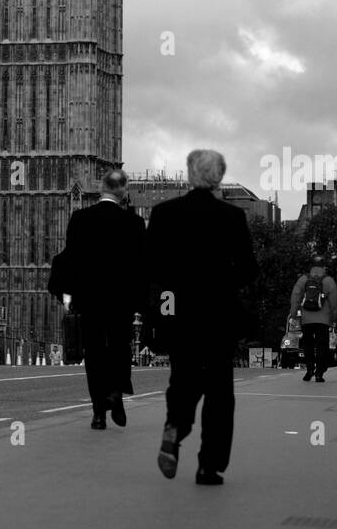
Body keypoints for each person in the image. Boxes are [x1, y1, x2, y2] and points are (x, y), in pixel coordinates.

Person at [146, 149, 258, 485]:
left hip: (179, 313)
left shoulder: (164, 213)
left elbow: (151, 269)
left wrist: (163, 307)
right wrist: (225, 282)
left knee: (183, 378)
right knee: (220, 393)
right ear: (219, 177)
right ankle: (210, 465)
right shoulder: (232, 217)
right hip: (219, 314)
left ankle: (175, 427)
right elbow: (249, 271)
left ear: (190, 174)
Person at [59, 169, 146, 429]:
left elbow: (70, 260)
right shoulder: (134, 223)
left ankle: (98, 413)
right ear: (123, 192)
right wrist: (141, 302)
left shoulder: (80, 218)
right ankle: (116, 395)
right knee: (119, 348)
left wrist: (68, 293)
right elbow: (142, 266)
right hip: (121, 301)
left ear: (101, 190)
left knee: (95, 353)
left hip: (90, 300)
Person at [289, 258, 337, 382]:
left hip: (306, 319)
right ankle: (319, 373)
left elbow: (295, 296)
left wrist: (293, 313)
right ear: (324, 266)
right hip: (323, 319)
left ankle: (309, 369)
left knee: (308, 345)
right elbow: (334, 303)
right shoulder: (328, 281)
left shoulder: (303, 279)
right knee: (322, 346)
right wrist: (335, 318)